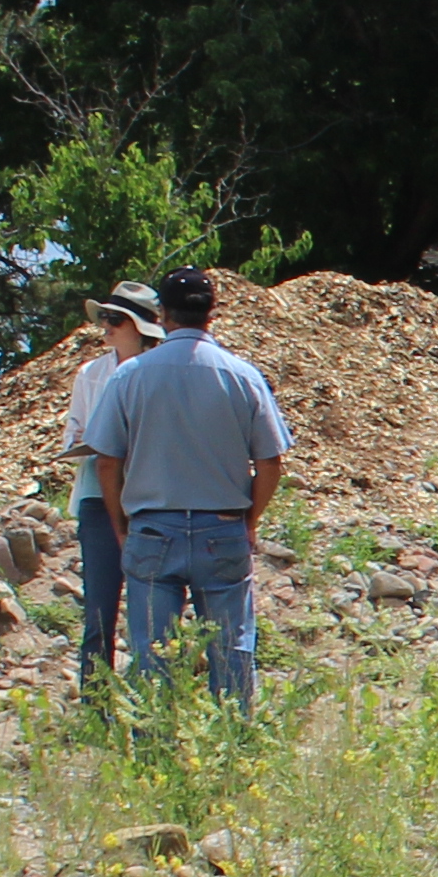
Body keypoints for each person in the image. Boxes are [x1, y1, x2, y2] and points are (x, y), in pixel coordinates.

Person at [79, 263, 292, 709]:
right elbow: (271, 463)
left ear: (164, 316)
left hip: (153, 529)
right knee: (231, 651)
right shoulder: (242, 376)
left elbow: (106, 461)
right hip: (222, 528)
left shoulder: (129, 376)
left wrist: (120, 525)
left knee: (153, 656)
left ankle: (157, 758)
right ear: (211, 312)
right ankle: (231, 754)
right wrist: (248, 520)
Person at [62, 281, 156, 693]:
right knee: (99, 610)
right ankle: (96, 704)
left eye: (115, 319)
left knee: (149, 610)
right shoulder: (91, 374)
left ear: (141, 327)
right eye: (104, 318)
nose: (106, 327)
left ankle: (147, 697)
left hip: (149, 498)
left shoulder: (160, 372)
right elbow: (73, 435)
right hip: (97, 499)